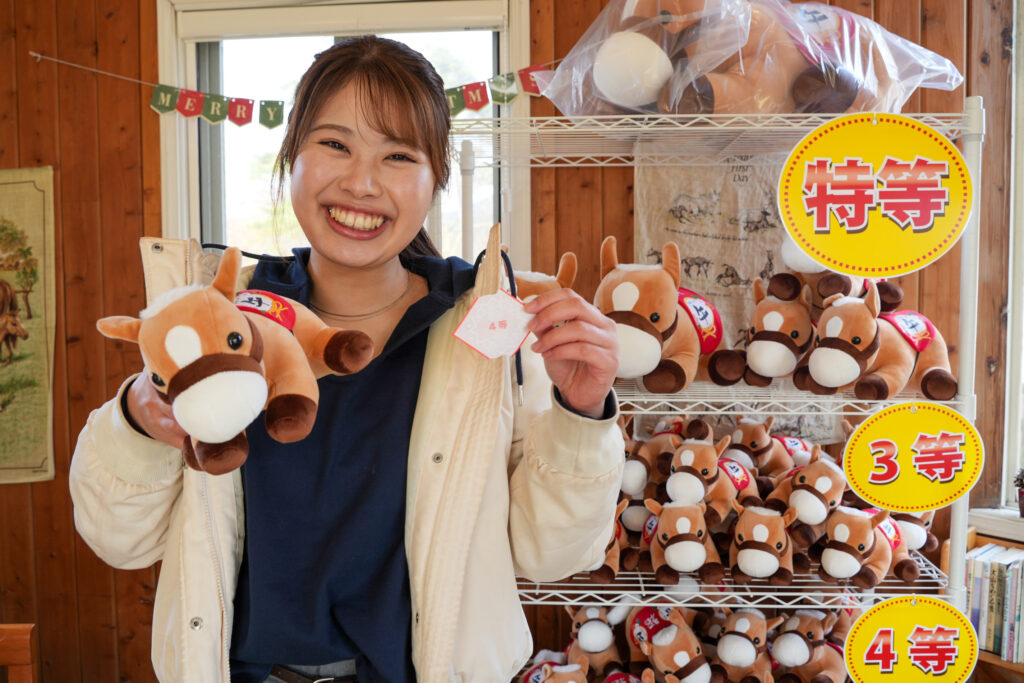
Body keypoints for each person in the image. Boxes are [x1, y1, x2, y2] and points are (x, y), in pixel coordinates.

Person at [70, 35, 624, 683]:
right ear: (292, 154)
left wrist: (582, 412)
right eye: (335, 144)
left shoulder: (491, 332)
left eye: (399, 155)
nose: (361, 183)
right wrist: (138, 420)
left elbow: (550, 554)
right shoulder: (224, 319)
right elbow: (120, 540)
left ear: (436, 179)